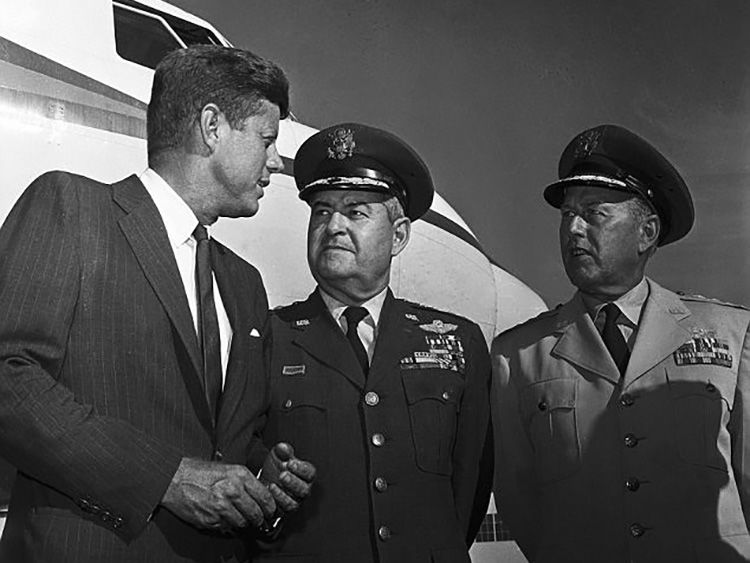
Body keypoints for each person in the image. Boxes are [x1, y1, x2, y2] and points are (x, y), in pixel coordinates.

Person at [0, 45, 315, 563]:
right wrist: (166, 477)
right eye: (267, 139)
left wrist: (261, 480)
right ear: (212, 127)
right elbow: (8, 377)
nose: (276, 162)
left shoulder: (244, 283)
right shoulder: (71, 209)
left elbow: (223, 440)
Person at [492, 124, 750, 562]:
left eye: (594, 213)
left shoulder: (730, 333)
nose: (572, 228)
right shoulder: (517, 355)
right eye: (566, 214)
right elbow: (519, 499)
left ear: (646, 232)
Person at [252, 123, 492, 562]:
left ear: (398, 235)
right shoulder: (265, 338)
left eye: (356, 212)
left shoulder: (459, 344)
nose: (334, 226)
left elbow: (469, 487)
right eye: (321, 211)